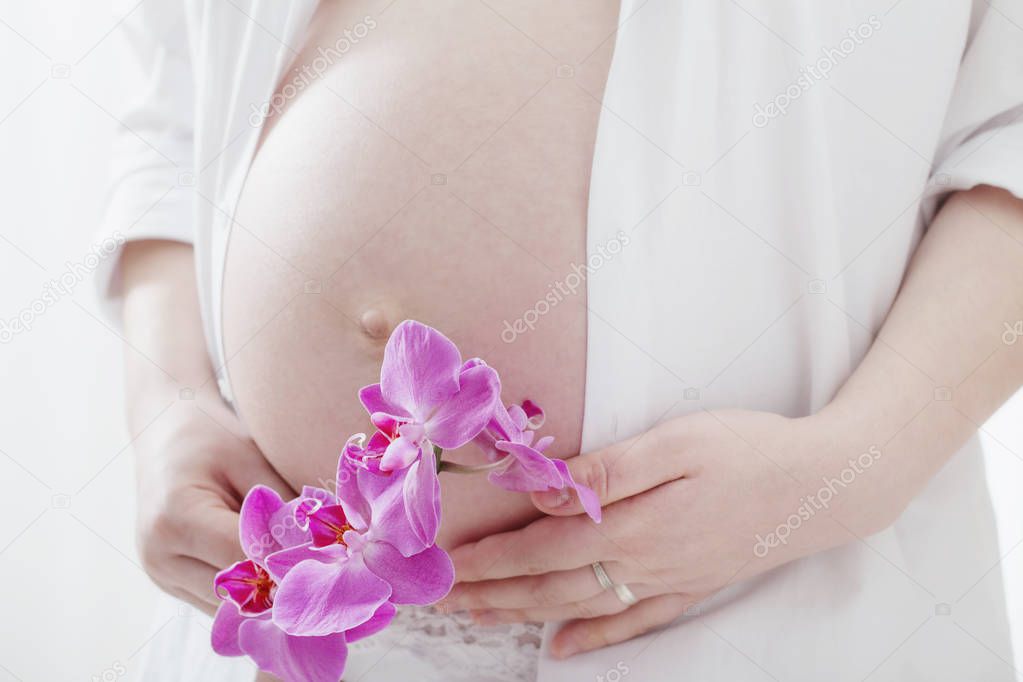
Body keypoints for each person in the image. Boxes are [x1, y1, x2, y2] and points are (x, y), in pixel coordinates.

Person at [99, 1, 1023, 680]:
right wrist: (166, 402)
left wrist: (849, 470)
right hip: (306, 609)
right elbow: (168, 121)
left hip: (765, 608)